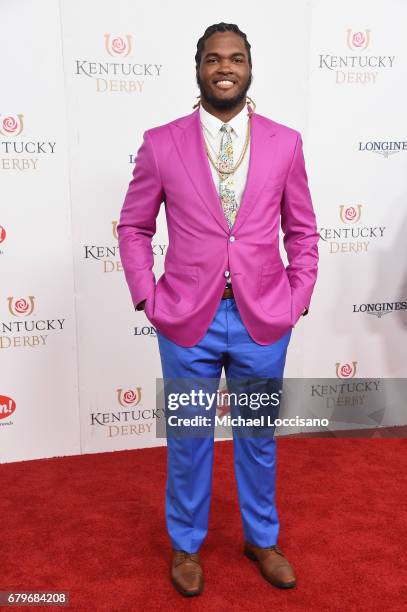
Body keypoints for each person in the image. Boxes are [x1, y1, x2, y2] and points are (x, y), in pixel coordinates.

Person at [117, 22, 319, 597]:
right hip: (187, 321)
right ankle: (185, 546)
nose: (223, 67)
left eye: (234, 58)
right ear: (198, 68)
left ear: (250, 67)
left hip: (262, 320)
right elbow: (134, 225)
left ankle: (262, 538)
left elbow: (302, 231)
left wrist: (296, 296)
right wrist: (148, 295)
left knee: (257, 434)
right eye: (213, 58)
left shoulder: (285, 142)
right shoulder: (161, 142)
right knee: (188, 436)